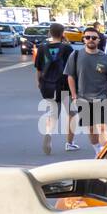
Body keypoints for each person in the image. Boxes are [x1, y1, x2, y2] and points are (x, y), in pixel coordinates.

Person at [65, 28, 107, 154]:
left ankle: (105, 153)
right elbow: (70, 76)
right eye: (87, 37)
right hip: (83, 98)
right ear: (83, 39)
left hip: (102, 97)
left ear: (98, 40)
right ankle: (97, 150)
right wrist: (74, 96)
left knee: (102, 127)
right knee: (91, 128)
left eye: (94, 38)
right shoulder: (76, 55)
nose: (90, 40)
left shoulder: (106, 58)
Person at [33, 23, 74, 155]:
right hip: (64, 85)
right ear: (63, 33)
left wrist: (39, 83)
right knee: (71, 114)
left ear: (50, 33)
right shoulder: (67, 48)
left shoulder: (42, 48)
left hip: (48, 85)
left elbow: (38, 69)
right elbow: (72, 69)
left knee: (53, 114)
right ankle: (69, 143)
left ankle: (49, 133)